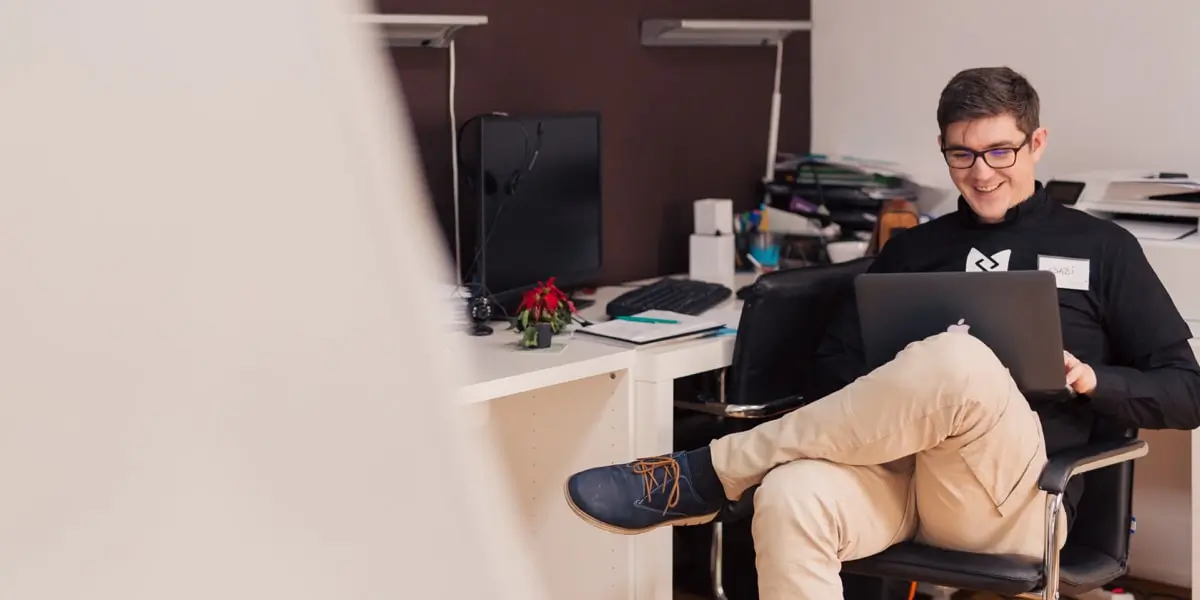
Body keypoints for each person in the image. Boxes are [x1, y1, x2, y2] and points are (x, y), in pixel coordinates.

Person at [563, 66, 1200, 599]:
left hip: (1015, 500)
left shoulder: (1103, 249)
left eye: (1000, 151)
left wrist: (1092, 381)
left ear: (1036, 145)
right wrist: (898, 384)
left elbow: (1186, 391)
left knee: (959, 359)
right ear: (945, 151)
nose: (981, 173)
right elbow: (831, 371)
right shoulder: (911, 249)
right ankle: (731, 473)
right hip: (893, 478)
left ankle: (709, 473)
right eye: (962, 154)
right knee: (790, 493)